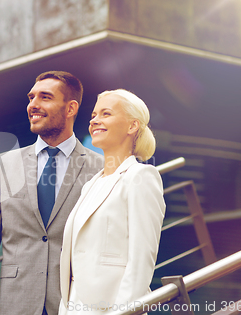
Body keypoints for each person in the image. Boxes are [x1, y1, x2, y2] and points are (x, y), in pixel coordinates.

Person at [0, 71, 104, 315]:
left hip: (75, 306)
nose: (33, 105)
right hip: (16, 305)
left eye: (45, 97)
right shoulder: (4, 165)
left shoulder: (101, 168)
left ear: (70, 108)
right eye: (31, 97)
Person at [59, 89, 166, 314]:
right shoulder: (91, 185)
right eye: (94, 115)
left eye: (106, 114)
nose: (95, 120)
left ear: (132, 126)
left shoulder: (141, 177)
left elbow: (140, 261)